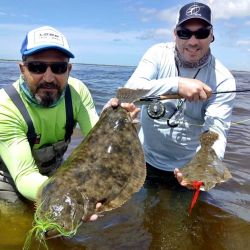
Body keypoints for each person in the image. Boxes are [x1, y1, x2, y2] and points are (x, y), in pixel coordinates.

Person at [0, 26, 138, 211]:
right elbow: (24, 175)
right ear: (22, 69)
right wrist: (69, 198)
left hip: (55, 172)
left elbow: (98, 145)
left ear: (69, 69)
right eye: (37, 67)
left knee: (61, 228)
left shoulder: (77, 92)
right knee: (16, 222)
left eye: (58, 68)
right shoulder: (6, 106)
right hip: (11, 174)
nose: (48, 77)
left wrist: (110, 120)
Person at [125, 2, 236, 188]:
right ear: (175, 34)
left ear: (212, 36)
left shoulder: (223, 79)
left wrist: (203, 170)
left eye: (201, 33)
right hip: (144, 160)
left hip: (187, 168)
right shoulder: (157, 54)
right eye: (185, 33)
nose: (193, 41)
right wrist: (176, 85)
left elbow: (216, 129)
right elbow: (128, 94)